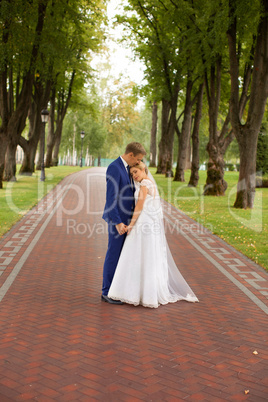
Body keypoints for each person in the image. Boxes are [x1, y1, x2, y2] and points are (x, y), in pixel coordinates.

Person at [108, 161, 199, 308]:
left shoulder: (144, 184)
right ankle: (146, 292)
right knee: (146, 255)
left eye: (136, 172)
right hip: (149, 223)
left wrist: (131, 224)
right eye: (132, 174)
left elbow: (140, 205)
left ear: (143, 169)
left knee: (139, 254)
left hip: (144, 224)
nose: (134, 176)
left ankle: (140, 292)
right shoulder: (149, 183)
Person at [101, 142, 147, 304]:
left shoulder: (128, 169)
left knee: (123, 256)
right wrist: (118, 222)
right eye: (138, 159)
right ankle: (106, 291)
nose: (138, 162)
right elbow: (111, 199)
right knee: (113, 254)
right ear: (131, 155)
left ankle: (118, 289)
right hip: (118, 220)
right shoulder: (115, 168)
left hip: (129, 221)